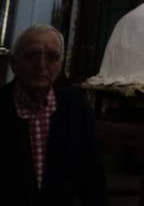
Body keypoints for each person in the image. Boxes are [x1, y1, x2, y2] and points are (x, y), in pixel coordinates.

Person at [1, 25, 106, 206]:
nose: (41, 65)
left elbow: (92, 174)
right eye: (32, 56)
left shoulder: (76, 105)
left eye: (52, 57)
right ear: (14, 63)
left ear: (61, 64)